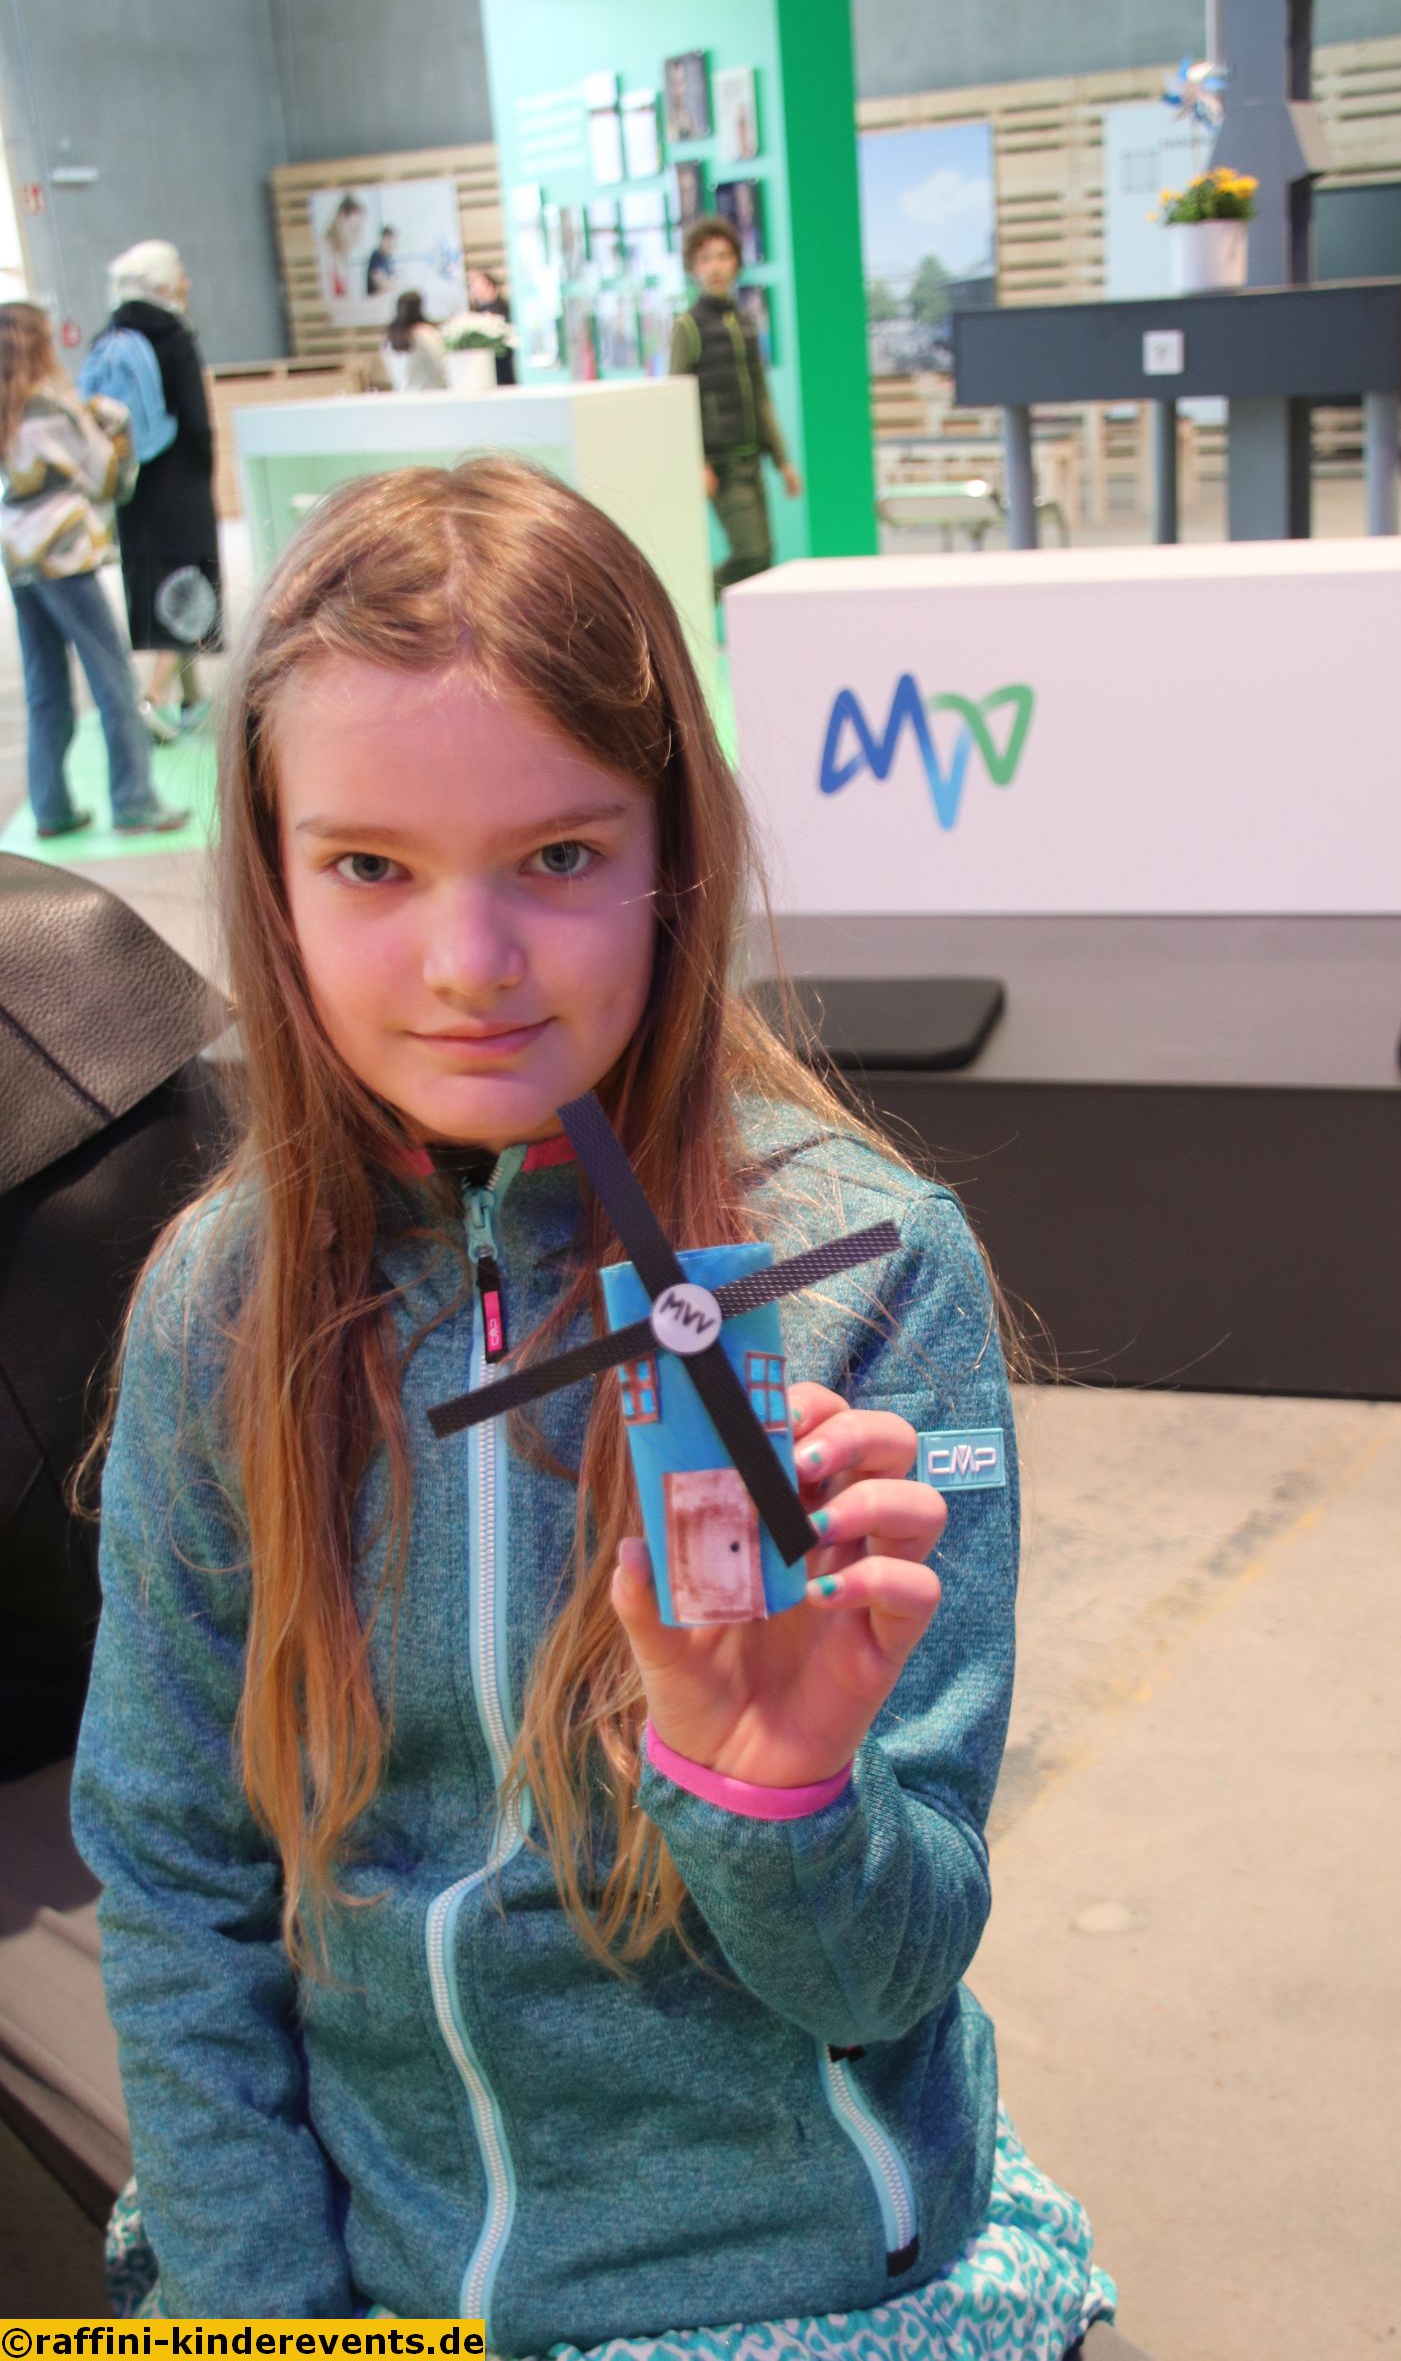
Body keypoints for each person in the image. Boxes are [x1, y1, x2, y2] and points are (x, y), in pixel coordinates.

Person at [71, 456, 1118, 2354]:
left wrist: (778, 1794)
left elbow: (890, 1973)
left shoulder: (871, 1274)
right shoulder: (217, 1305)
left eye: (557, 858)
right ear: (272, 871)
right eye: (370, 867)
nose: (468, 966)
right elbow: (173, 1877)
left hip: (811, 2290)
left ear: (674, 857)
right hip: (359, 2276)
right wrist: (264, 2322)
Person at [0, 301, 188, 836]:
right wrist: (115, 427)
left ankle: (51, 808)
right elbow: (109, 479)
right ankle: (134, 801)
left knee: (45, 688)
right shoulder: (53, 407)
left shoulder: (8, 409)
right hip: (65, 558)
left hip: (19, 559)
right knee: (113, 680)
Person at [101, 239, 222, 744]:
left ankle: (192, 700)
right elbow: (196, 421)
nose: (187, 283)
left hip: (134, 491)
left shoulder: (112, 336)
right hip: (180, 487)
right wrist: (205, 468)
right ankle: (152, 700)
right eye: (179, 274)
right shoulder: (173, 336)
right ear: (163, 283)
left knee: (162, 586)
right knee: (187, 592)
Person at [671, 215, 799, 602]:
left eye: (723, 256)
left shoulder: (744, 322)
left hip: (751, 460)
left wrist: (782, 461)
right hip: (721, 465)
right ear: (693, 267)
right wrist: (697, 462)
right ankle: (685, 606)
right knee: (751, 555)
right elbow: (678, 402)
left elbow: (760, 396)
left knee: (763, 559)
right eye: (705, 259)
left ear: (737, 263)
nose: (715, 267)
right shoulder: (688, 327)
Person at [381, 288, 448, 391]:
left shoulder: (390, 339)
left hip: (403, 394)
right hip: (430, 393)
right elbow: (442, 364)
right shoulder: (425, 334)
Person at [469, 266, 519, 387]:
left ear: (494, 288)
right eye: (476, 288)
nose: (479, 292)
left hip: (505, 365)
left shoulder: (506, 311)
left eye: (482, 287)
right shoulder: (473, 316)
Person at [365, 226, 399, 298]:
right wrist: (394, 283)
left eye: (394, 242)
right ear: (383, 240)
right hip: (376, 301)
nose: (392, 245)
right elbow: (383, 285)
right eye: (389, 243)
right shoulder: (376, 257)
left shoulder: (388, 259)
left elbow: (395, 279)